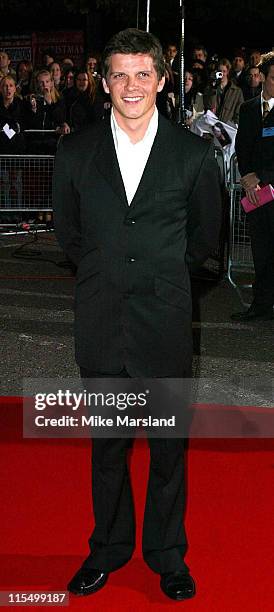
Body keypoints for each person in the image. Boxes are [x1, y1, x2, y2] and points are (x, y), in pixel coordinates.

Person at [53, 28, 222, 601]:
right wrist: (109, 278)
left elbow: (205, 243)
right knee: (108, 447)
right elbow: (67, 235)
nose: (131, 85)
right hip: (100, 322)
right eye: (120, 74)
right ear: (104, 84)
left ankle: (167, 555)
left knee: (169, 449)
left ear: (161, 80)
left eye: (142, 73)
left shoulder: (194, 155)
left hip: (165, 322)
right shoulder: (75, 152)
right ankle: (107, 549)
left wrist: (161, 283)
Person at [232, 52, 274, 322]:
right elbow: (242, 147)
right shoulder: (248, 108)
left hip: (270, 185)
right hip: (255, 193)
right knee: (260, 250)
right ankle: (261, 305)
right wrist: (247, 176)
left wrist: (261, 175)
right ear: (264, 79)